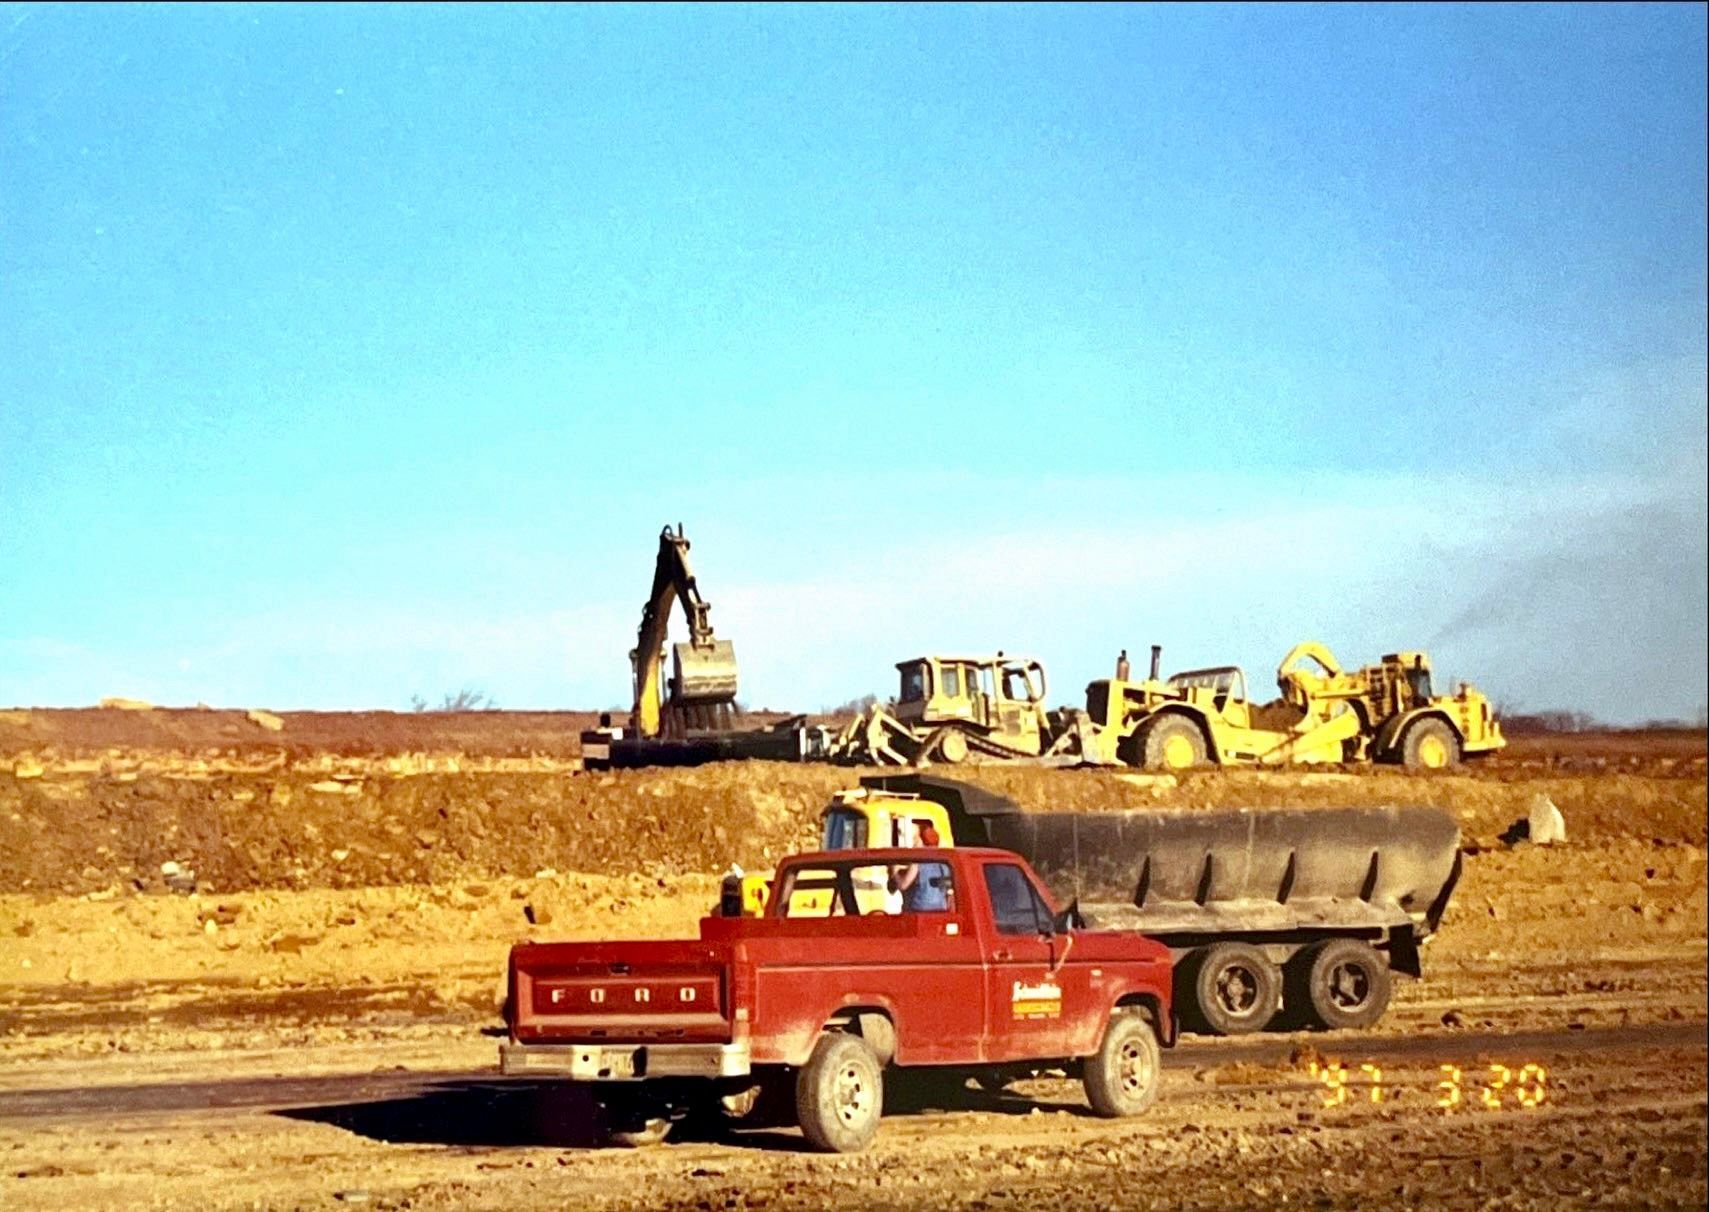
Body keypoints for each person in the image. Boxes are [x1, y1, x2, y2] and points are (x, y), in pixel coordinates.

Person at [892, 823, 951, 912]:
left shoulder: (918, 862)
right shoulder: (944, 863)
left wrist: (894, 871)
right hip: (940, 908)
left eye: (915, 839)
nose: (914, 842)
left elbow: (903, 885)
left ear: (921, 841)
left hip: (919, 909)